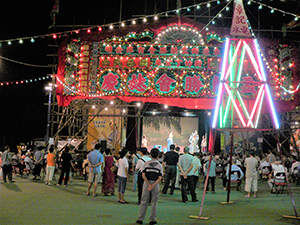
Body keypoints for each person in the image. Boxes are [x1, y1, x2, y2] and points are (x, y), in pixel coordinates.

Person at [136, 148, 162, 225]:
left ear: (150, 155)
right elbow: (160, 177)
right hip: (155, 184)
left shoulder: (146, 164)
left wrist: (148, 184)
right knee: (154, 202)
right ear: (158, 156)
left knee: (144, 201)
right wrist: (153, 185)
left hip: (146, 184)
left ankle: (140, 218)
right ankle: (153, 219)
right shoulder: (159, 165)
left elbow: (143, 175)